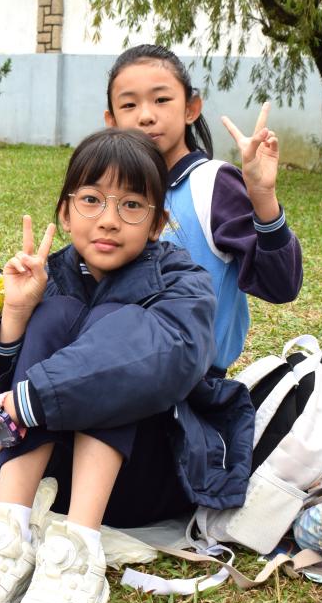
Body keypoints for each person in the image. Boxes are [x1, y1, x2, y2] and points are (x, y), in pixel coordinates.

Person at [0, 129, 254, 603]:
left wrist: (31, 400)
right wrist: (16, 315)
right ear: (65, 212)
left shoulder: (184, 280)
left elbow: (164, 357)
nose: (108, 219)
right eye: (91, 199)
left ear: (157, 223)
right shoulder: (49, 276)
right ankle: (6, 540)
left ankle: (77, 558)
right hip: (51, 477)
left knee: (117, 339)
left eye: (131, 205)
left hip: (145, 475)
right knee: (54, 313)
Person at [104, 44, 303, 375]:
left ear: (191, 109)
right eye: (129, 104)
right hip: (113, 367)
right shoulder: (111, 190)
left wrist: (263, 196)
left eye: (161, 99)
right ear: (111, 121)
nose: (146, 115)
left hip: (190, 385)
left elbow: (281, 285)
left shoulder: (211, 184)